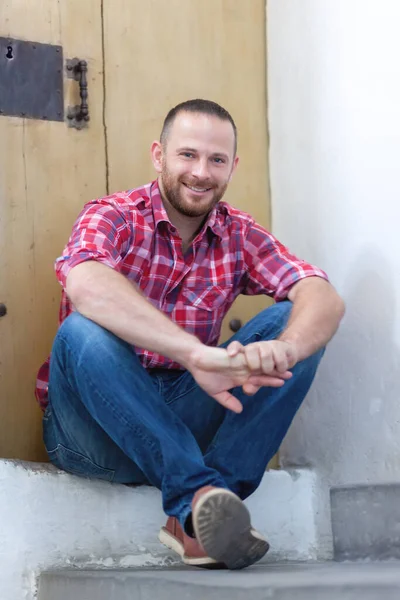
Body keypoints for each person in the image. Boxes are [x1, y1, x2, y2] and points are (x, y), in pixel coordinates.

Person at [35, 99, 344, 570]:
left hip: (182, 418)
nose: (201, 172)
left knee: (295, 322)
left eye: (216, 160)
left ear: (232, 167)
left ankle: (201, 513)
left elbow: (322, 295)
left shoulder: (238, 232)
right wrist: (196, 355)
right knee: (81, 331)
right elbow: (86, 283)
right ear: (159, 155)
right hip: (93, 437)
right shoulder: (113, 214)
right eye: (187, 155)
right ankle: (197, 494)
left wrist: (285, 349)